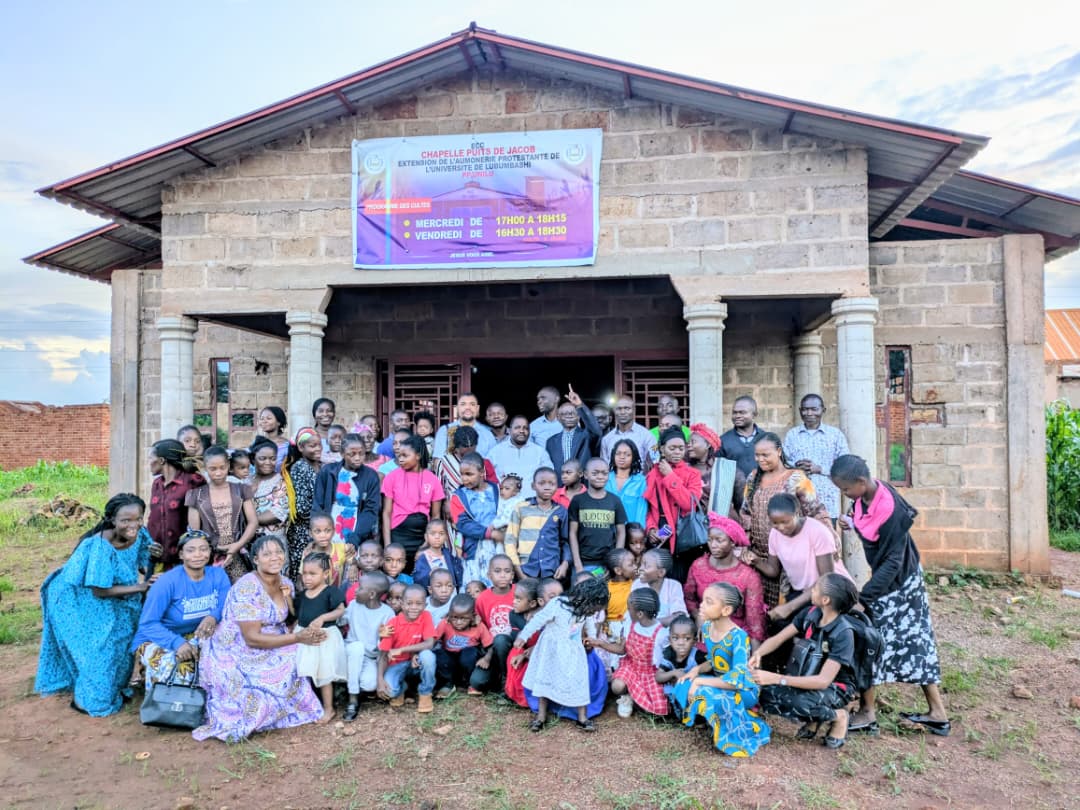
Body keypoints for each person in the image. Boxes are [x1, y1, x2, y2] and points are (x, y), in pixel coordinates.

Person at [831, 455, 949, 737]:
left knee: (869, 639)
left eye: (846, 489)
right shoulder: (865, 497)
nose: (845, 495)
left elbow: (892, 563)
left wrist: (864, 597)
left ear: (860, 482)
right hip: (890, 579)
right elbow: (864, 520)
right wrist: (851, 522)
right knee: (911, 642)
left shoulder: (892, 511)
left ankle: (868, 713)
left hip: (900, 583)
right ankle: (936, 712)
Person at [193, 535, 325, 742]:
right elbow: (252, 639)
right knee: (287, 659)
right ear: (255, 560)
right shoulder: (247, 587)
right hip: (236, 647)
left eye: (278, 552)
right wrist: (298, 638)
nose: (274, 557)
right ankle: (261, 713)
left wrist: (291, 602)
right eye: (267, 554)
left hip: (272, 636)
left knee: (302, 652)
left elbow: (288, 618)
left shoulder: (286, 582)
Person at [35, 494, 152, 716]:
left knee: (122, 643)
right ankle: (84, 701)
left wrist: (153, 569)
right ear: (111, 520)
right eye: (125, 520)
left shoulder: (139, 533)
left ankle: (114, 687)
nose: (133, 525)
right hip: (78, 599)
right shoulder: (100, 546)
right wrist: (140, 588)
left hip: (117, 596)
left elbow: (145, 562)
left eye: (137, 519)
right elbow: (100, 590)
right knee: (97, 649)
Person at [751, 573, 858, 749]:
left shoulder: (843, 633)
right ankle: (814, 719)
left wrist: (777, 678)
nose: (811, 591)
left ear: (825, 600)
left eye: (815, 588)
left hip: (835, 687)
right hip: (804, 677)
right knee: (763, 694)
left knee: (798, 703)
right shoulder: (810, 613)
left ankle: (838, 716)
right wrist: (758, 654)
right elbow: (778, 639)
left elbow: (823, 681)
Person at [672, 582, 771, 757]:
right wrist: (695, 671)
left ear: (726, 610)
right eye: (703, 600)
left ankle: (734, 727)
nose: (702, 605)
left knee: (703, 691)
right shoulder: (708, 627)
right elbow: (714, 660)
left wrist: (700, 680)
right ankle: (708, 717)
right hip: (719, 682)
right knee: (683, 683)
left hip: (743, 690)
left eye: (709, 602)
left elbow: (737, 680)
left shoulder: (739, 637)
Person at [739, 432, 834, 607]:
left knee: (786, 607)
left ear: (779, 451)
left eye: (765, 455)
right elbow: (746, 513)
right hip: (760, 558)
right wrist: (745, 545)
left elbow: (815, 511)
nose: (760, 459)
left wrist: (831, 544)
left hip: (789, 556)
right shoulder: (753, 478)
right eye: (757, 455)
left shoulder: (796, 478)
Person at [132, 529, 230, 694]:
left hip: (196, 635)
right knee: (178, 664)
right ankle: (167, 707)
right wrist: (176, 643)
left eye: (203, 549)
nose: (198, 554)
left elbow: (226, 605)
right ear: (181, 555)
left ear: (210, 552)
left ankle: (215, 701)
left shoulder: (218, 575)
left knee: (225, 654)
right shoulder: (167, 582)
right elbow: (148, 624)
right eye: (190, 550)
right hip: (159, 637)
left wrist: (213, 616)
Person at [514, 576, 610, 732]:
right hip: (550, 651)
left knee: (580, 681)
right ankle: (541, 717)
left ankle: (582, 718)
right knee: (545, 680)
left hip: (573, 650)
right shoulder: (558, 604)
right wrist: (524, 636)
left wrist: (591, 639)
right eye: (594, 609)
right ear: (585, 599)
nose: (594, 612)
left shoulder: (585, 611)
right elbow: (538, 620)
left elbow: (590, 624)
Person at [744, 493, 852, 624]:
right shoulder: (775, 534)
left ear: (797, 513)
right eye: (775, 523)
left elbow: (827, 580)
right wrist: (756, 561)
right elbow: (773, 570)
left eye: (785, 522)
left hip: (832, 592)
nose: (781, 528)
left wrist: (790, 607)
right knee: (780, 626)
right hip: (805, 593)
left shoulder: (817, 532)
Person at [683, 515, 766, 645]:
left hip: (733, 641)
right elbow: (689, 599)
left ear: (732, 542)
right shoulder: (698, 566)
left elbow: (754, 622)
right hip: (704, 636)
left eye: (719, 540)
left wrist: (753, 660)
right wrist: (698, 616)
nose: (713, 545)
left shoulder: (748, 576)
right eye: (710, 540)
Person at [185, 445, 257, 582]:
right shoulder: (195, 495)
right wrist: (212, 549)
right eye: (213, 469)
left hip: (239, 554)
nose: (218, 473)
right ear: (205, 468)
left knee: (240, 595)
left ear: (228, 466)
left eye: (222, 468)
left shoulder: (241, 489)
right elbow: (195, 532)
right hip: (209, 557)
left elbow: (253, 522)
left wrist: (237, 545)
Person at [595, 588, 669, 718]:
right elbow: (622, 649)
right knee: (617, 686)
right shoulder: (630, 625)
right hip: (631, 666)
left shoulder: (661, 634)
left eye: (629, 609)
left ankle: (638, 698)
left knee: (658, 709)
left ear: (640, 614)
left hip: (650, 673)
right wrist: (601, 643)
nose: (627, 611)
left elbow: (663, 662)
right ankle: (627, 696)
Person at [292, 551, 347, 723]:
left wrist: (323, 618)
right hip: (304, 636)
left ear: (325, 574)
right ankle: (308, 706)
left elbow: (340, 610)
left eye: (312, 574)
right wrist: (287, 597)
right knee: (305, 672)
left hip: (324, 638)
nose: (307, 578)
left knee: (324, 674)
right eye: (304, 574)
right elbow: (296, 614)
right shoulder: (302, 595)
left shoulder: (330, 591)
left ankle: (328, 709)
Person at [644, 427, 705, 582]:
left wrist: (670, 475)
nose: (677, 452)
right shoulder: (653, 474)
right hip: (663, 531)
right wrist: (651, 529)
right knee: (660, 578)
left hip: (684, 532)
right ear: (662, 449)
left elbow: (688, 504)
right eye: (672, 448)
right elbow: (649, 507)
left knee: (683, 579)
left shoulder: (693, 474)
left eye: (681, 448)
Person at [784, 395, 850, 523]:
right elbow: (783, 463)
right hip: (798, 503)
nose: (809, 413)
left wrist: (820, 469)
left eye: (814, 409)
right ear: (800, 411)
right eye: (805, 409)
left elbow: (845, 467)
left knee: (826, 540)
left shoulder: (835, 435)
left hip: (827, 503)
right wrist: (796, 468)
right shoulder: (792, 435)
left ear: (823, 410)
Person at [381, 435, 444, 569]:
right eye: (399, 455)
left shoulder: (432, 479)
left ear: (418, 456)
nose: (400, 459)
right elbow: (386, 513)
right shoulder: (392, 477)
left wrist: (427, 543)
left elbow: (436, 516)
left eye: (405, 455)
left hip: (422, 536)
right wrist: (388, 545)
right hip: (398, 534)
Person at [342, 571, 395, 722]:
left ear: (371, 594)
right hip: (350, 652)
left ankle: (351, 686)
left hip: (370, 658)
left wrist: (381, 636)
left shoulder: (388, 614)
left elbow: (383, 647)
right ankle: (353, 699)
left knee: (370, 684)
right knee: (357, 647)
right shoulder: (353, 605)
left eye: (359, 588)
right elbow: (341, 620)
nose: (356, 590)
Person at [376, 583, 437, 713]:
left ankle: (425, 693)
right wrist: (380, 680)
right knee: (390, 692)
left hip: (416, 662)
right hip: (396, 665)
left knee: (428, 656)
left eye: (418, 603)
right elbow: (383, 655)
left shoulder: (426, 616)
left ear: (425, 605)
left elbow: (429, 643)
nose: (414, 608)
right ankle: (403, 688)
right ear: (402, 604)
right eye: (409, 603)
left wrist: (402, 650)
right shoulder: (392, 624)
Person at [314, 433, 381, 546]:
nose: (357, 458)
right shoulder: (328, 472)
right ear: (342, 454)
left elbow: (370, 510)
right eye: (352, 454)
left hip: (358, 530)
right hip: (330, 527)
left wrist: (355, 538)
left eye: (361, 453)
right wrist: (319, 533)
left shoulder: (371, 476)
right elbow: (318, 505)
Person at [147, 439, 205, 570]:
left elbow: (201, 519)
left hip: (183, 558)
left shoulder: (193, 481)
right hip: (156, 556)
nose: (149, 462)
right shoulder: (157, 484)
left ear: (161, 461)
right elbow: (153, 518)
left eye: (150, 458)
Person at [505, 467, 571, 580]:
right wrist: (519, 571)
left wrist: (564, 564)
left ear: (557, 486)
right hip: (525, 569)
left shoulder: (561, 511)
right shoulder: (521, 508)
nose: (547, 487)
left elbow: (565, 542)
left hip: (551, 571)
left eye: (552, 484)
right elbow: (510, 540)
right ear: (533, 486)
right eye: (541, 483)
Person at [448, 453, 501, 583]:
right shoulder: (458, 496)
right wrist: (490, 533)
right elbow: (463, 524)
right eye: (462, 474)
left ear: (482, 472)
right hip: (473, 549)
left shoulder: (497, 490)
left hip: (499, 546)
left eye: (469, 474)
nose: (464, 479)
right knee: (476, 586)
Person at [568, 457, 627, 574]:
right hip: (583, 563)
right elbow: (572, 533)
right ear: (585, 474)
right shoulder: (578, 500)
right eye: (595, 473)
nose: (600, 476)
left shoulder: (615, 501)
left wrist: (615, 561)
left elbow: (621, 531)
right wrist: (577, 564)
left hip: (607, 564)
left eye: (604, 473)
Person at [434, 594, 495, 699]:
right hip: (450, 657)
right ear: (449, 615)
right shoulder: (445, 623)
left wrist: (487, 658)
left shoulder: (479, 626)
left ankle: (467, 682)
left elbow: (490, 646)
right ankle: (448, 683)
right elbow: (433, 640)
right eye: (455, 617)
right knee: (438, 654)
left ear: (473, 616)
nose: (458, 622)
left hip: (468, 658)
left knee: (469, 653)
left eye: (464, 619)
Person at [471, 555, 516, 694]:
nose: (502, 575)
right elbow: (482, 627)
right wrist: (488, 655)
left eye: (507, 571)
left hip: (514, 647)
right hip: (492, 649)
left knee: (502, 639)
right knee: (477, 682)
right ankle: (498, 673)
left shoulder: (519, 592)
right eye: (497, 571)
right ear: (489, 575)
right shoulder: (482, 598)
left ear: (513, 575)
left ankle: (506, 678)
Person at [283, 427, 323, 580]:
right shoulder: (300, 468)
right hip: (303, 533)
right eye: (312, 446)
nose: (318, 449)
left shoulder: (321, 466)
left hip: (318, 529)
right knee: (304, 574)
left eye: (319, 445)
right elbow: (300, 508)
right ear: (301, 447)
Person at [488, 415, 553, 499]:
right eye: (517, 427)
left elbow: (550, 477)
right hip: (504, 505)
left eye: (525, 428)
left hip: (532, 505)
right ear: (509, 430)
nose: (522, 431)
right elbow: (486, 477)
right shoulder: (495, 452)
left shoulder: (540, 452)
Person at [594, 547, 638, 673]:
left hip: (630, 627)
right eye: (631, 564)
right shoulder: (606, 588)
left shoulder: (636, 582)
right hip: (611, 631)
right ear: (618, 570)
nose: (635, 567)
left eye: (635, 562)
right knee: (613, 661)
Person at [545, 387, 603, 472]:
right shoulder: (551, 442)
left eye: (572, 413)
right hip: (560, 484)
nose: (569, 416)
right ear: (558, 417)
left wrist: (580, 405)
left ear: (579, 416)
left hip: (582, 483)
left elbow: (596, 430)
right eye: (565, 414)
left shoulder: (586, 436)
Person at [504, 578, 542, 707]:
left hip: (539, 652)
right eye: (514, 597)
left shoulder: (543, 617)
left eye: (518, 599)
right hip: (523, 651)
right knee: (514, 653)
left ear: (532, 604)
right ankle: (512, 692)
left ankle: (531, 698)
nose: (513, 602)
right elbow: (517, 641)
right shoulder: (514, 615)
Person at [655, 614, 706, 705]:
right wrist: (674, 673)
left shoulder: (698, 655)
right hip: (673, 693)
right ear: (669, 640)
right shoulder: (669, 653)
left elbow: (711, 666)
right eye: (675, 638)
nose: (681, 643)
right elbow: (658, 676)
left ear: (695, 641)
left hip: (692, 692)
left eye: (687, 638)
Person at [632, 547, 687, 626]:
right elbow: (635, 616)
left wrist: (652, 623)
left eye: (646, 566)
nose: (640, 569)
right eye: (641, 564)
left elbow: (679, 616)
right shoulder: (637, 585)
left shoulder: (674, 586)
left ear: (661, 572)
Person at [433, 392, 497, 458]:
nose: (468, 408)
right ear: (457, 408)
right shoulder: (444, 430)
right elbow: (437, 461)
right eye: (463, 404)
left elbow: (493, 462)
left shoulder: (488, 433)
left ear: (477, 408)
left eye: (472, 404)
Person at [249, 437, 289, 539]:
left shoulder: (280, 482)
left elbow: (278, 512)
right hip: (248, 541)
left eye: (273, 458)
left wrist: (248, 521)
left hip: (273, 541)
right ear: (253, 459)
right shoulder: (247, 480)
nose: (268, 462)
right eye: (262, 458)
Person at [299, 512, 352, 589]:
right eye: (317, 531)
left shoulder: (342, 548)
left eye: (327, 531)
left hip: (336, 596)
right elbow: (303, 576)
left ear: (334, 531)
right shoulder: (308, 553)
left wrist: (353, 565)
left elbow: (353, 561)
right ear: (310, 533)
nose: (323, 535)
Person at [600, 395, 656, 465]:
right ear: (614, 411)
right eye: (619, 409)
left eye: (627, 408)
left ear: (634, 410)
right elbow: (604, 466)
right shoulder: (606, 439)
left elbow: (655, 462)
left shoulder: (647, 436)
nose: (623, 412)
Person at [719, 396, 766, 478]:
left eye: (742, 412)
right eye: (734, 412)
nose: (737, 416)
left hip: (762, 489)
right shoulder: (723, 441)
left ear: (754, 415)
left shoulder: (766, 438)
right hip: (734, 489)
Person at [605, 438, 648, 525]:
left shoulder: (641, 482)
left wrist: (638, 532)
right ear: (613, 455)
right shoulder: (604, 478)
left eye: (627, 454)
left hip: (631, 533)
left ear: (633, 457)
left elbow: (641, 511)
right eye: (618, 454)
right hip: (607, 532)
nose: (622, 457)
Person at [412, 519, 462, 588]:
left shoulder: (448, 555)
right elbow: (417, 579)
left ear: (446, 537)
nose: (437, 537)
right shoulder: (422, 557)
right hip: (433, 596)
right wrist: (429, 575)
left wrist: (458, 557)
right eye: (433, 533)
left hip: (451, 595)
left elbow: (457, 576)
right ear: (426, 537)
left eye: (441, 533)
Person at [687, 423, 723, 513]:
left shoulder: (723, 469)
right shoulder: (685, 468)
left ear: (707, 445)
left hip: (719, 522)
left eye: (693, 442)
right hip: (691, 522)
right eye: (688, 442)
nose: (688, 445)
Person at [257, 406, 291, 471]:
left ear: (279, 422)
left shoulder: (287, 446)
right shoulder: (257, 443)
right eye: (262, 418)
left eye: (268, 418)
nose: (264, 421)